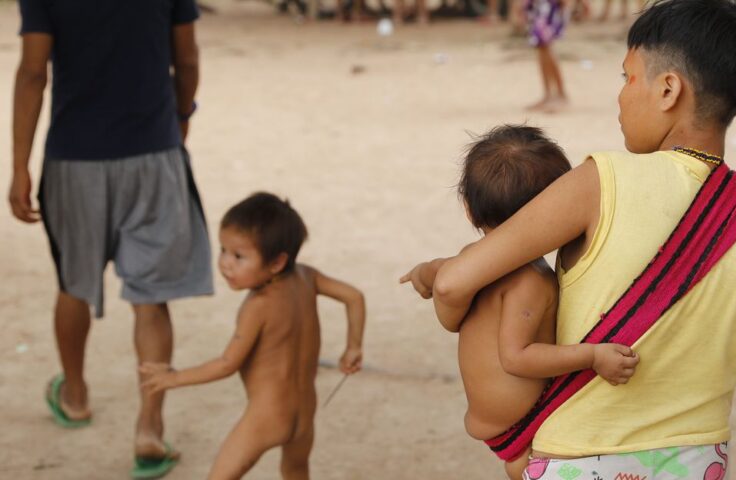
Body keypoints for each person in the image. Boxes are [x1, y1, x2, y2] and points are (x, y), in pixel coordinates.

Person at [410, 1, 736, 478]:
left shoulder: (600, 182)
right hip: (698, 464)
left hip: (574, 462)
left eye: (627, 78)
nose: (620, 97)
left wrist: (437, 287)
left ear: (668, 89)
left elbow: (453, 284)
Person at [9, 0, 212, 477]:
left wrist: (19, 163)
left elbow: (33, 73)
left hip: (73, 158)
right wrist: (183, 113)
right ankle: (149, 426)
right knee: (151, 298)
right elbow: (186, 58)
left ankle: (76, 395)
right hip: (153, 153)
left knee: (73, 282)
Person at [401, 125, 639, 479]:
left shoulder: (469, 261)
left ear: (469, 210)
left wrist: (422, 274)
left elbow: (441, 284)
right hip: (521, 425)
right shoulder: (530, 281)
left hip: (498, 418)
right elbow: (517, 356)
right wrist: (592, 355)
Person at [141, 192, 366, 480]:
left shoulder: (258, 305)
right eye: (222, 250)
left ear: (276, 263)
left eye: (238, 256)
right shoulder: (308, 277)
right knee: (296, 471)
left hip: (267, 417)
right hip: (304, 413)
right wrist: (353, 346)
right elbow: (354, 297)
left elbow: (227, 363)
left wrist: (174, 378)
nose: (225, 264)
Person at [525, 0, 567, 112]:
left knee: (546, 47)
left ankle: (560, 94)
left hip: (548, 5)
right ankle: (549, 94)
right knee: (542, 48)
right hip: (538, 5)